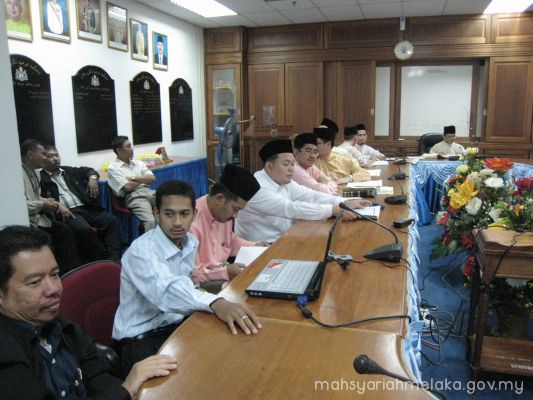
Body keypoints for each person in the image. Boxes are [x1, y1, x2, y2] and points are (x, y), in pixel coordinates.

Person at [0, 225, 177, 399]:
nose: (53, 289)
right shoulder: (7, 355)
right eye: (35, 282)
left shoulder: (63, 329)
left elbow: (101, 379)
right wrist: (126, 389)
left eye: (54, 274)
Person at [113, 180, 261, 374]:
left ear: (194, 214)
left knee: (233, 351)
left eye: (184, 214)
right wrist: (216, 302)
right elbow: (167, 292)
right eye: (169, 214)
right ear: (156, 213)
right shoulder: (141, 250)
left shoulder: (189, 242)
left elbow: (189, 283)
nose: (177, 222)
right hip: (141, 338)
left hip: (175, 324)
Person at [235, 139, 371, 243]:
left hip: (285, 238)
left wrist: (344, 202)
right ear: (270, 166)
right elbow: (291, 208)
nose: (291, 169)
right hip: (261, 247)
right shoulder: (257, 187)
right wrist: (333, 210)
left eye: (292, 164)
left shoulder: (283, 181)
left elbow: (310, 195)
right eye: (286, 164)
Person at [190, 164, 266, 292]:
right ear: (219, 198)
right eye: (235, 209)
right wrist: (225, 272)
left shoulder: (222, 214)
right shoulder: (191, 221)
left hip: (223, 273)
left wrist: (255, 246)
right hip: (203, 285)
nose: (236, 215)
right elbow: (192, 275)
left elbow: (230, 241)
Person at [40, 145, 122, 263]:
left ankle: (114, 259)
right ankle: (102, 259)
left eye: (56, 155)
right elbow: (43, 199)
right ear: (43, 159)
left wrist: (92, 179)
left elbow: (89, 170)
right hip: (68, 213)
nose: (55, 158)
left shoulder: (68, 171)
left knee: (112, 221)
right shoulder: (41, 178)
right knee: (83, 229)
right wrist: (57, 205)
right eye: (50, 156)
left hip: (85, 208)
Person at [20, 139, 79, 274]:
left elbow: (35, 197)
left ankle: (72, 272)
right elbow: (21, 205)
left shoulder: (35, 172)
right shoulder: (18, 174)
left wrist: (53, 203)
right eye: (42, 154)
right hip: (29, 222)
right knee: (52, 238)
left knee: (65, 230)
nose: (45, 157)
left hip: (39, 217)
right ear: (30, 154)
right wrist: (43, 203)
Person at [107, 136, 157, 232]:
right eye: (128, 146)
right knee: (150, 221)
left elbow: (152, 178)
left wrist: (134, 178)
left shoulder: (138, 163)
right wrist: (143, 179)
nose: (132, 149)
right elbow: (127, 187)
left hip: (148, 192)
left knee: (170, 208)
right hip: (133, 197)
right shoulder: (113, 168)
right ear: (119, 150)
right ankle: (150, 242)